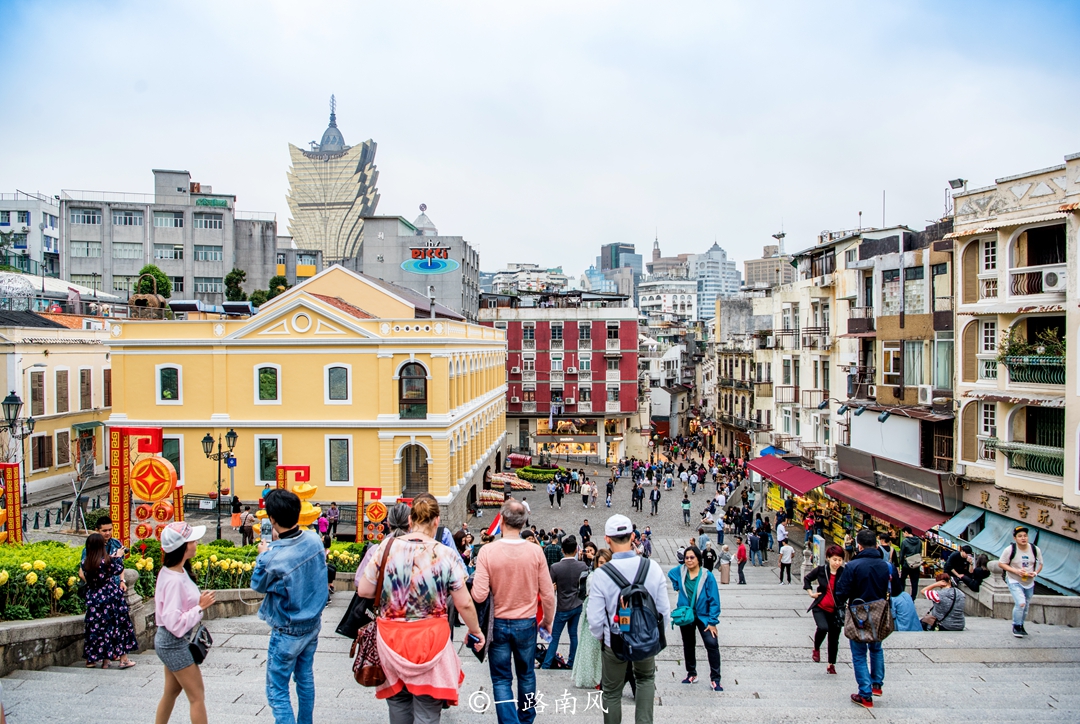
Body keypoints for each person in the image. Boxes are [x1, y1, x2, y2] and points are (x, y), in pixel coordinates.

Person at [356, 493, 484, 724]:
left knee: (398, 704)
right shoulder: (444, 554)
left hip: (390, 637)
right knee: (427, 710)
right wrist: (475, 630)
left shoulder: (386, 547)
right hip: (430, 639)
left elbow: (364, 590)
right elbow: (464, 602)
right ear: (436, 521)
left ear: (410, 521)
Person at [472, 499, 555, 724]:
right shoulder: (535, 552)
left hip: (498, 622)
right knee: (527, 675)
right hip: (526, 622)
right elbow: (548, 594)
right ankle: (526, 719)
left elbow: (478, 595)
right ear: (523, 522)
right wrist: (547, 621)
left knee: (501, 679)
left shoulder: (487, 551)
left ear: (501, 519)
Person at [251, 488, 329, 724]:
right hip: (312, 623)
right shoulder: (314, 540)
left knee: (277, 689)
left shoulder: (273, 556)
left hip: (287, 628)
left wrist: (263, 554)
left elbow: (258, 584)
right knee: (305, 678)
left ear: (272, 519)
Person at [588, 514, 671, 724]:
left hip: (614, 640)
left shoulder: (601, 574)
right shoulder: (651, 567)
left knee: (611, 692)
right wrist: (655, 635)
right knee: (645, 680)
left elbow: (596, 619)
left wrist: (602, 638)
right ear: (633, 536)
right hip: (645, 637)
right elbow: (663, 610)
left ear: (607, 539)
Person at [154, 522, 215, 724]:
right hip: (174, 642)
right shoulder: (174, 579)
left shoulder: (175, 571)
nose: (196, 543)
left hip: (170, 641)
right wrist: (200, 607)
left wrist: (197, 602)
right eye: (192, 541)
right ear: (183, 547)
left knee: (171, 692)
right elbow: (174, 622)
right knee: (197, 696)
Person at [834, 529, 891, 709]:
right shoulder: (886, 565)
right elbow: (896, 589)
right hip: (879, 612)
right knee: (876, 648)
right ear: (876, 545)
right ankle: (876, 685)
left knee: (859, 654)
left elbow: (841, 593)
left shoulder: (852, 566)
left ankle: (865, 694)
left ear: (858, 546)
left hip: (859, 613)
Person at [667, 545, 723, 691]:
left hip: (704, 616)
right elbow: (670, 573)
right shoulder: (680, 571)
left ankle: (715, 678)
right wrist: (676, 587)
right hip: (686, 615)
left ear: (698, 559)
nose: (689, 560)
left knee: (711, 644)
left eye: (692, 557)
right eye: (686, 558)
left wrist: (712, 621)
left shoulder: (707, 575)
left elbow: (714, 599)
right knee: (688, 644)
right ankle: (691, 673)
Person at [81, 532, 138, 669]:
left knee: (98, 628)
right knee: (119, 626)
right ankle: (123, 659)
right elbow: (118, 569)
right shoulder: (106, 562)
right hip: (110, 597)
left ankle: (102, 659)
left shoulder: (86, 562)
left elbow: (99, 566)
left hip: (94, 598)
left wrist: (111, 558)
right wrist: (118, 557)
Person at [543, 536, 589, 669]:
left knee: (555, 636)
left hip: (563, 606)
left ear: (562, 550)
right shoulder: (582, 566)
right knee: (573, 634)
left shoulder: (556, 567)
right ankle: (572, 662)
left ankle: (547, 664)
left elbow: (549, 585)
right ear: (576, 550)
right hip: (577, 604)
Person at [803, 544, 845, 675]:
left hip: (836, 610)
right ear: (828, 558)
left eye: (840, 560)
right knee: (823, 628)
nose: (837, 563)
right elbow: (807, 578)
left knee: (834, 638)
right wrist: (811, 593)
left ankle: (831, 664)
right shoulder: (821, 570)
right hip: (820, 607)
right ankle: (816, 648)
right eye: (834, 559)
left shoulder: (844, 573)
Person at [572, 548, 610, 689]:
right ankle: (591, 677)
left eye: (606, 562)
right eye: (600, 562)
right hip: (594, 613)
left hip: (608, 615)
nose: (603, 565)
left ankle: (601, 677)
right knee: (591, 645)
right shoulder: (593, 577)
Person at [998, 525, 1043, 638]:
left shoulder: (1035, 549)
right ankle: (1016, 626)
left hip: (1029, 581)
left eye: (1025, 536)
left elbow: (1040, 564)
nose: (1023, 538)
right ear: (1015, 538)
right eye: (1020, 536)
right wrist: (1016, 571)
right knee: (1021, 603)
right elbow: (1001, 563)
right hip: (1014, 579)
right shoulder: (1010, 550)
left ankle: (1021, 625)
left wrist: (1035, 573)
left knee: (1026, 605)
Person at [898, 527, 922, 598]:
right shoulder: (919, 541)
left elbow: (902, 554)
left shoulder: (905, 542)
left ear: (906, 532)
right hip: (916, 564)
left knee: (902, 580)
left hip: (907, 564)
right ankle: (913, 598)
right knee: (914, 582)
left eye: (903, 533)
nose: (903, 535)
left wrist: (901, 563)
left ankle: (902, 595)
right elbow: (920, 552)